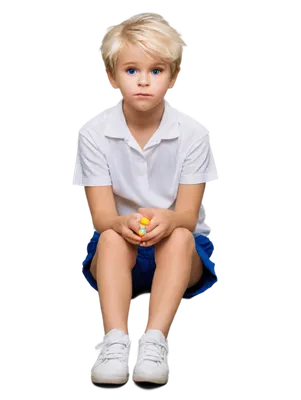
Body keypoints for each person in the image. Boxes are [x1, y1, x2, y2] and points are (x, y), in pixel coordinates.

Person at [72, 10, 220, 388]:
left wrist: (169, 221)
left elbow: (186, 214)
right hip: (119, 252)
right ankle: (115, 340)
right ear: (111, 77)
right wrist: (120, 224)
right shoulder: (94, 133)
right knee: (108, 237)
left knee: (181, 236)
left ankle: (155, 341)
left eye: (156, 71)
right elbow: (103, 216)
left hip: (179, 255)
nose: (143, 82)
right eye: (131, 70)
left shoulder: (192, 133)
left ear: (174, 77)